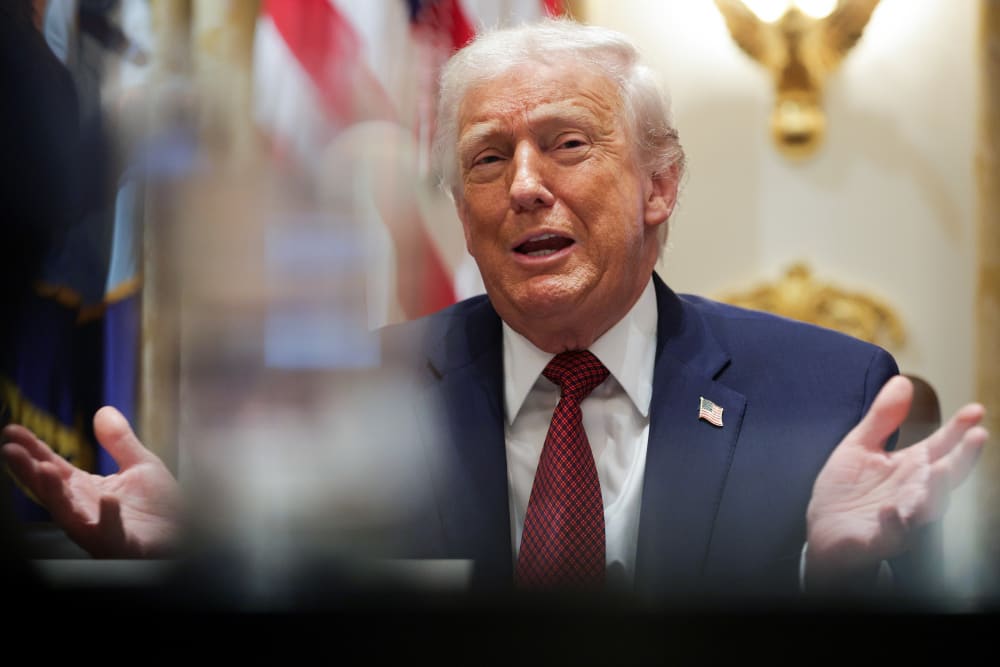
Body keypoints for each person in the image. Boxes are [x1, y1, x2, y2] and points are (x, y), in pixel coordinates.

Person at [1, 18, 988, 606]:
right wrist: (203, 556)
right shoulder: (350, 395)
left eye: (565, 145)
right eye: (485, 157)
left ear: (659, 187)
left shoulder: (824, 397)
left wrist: (836, 574)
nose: (522, 186)